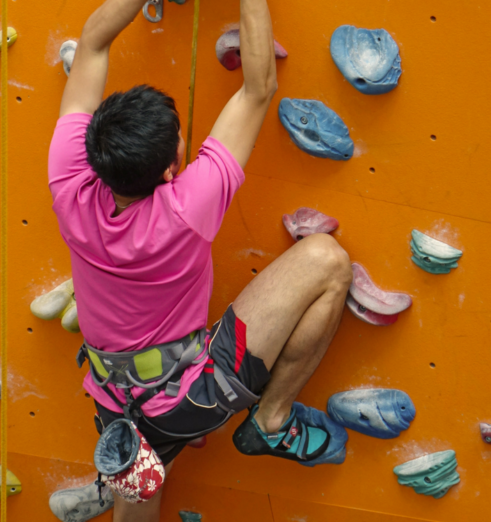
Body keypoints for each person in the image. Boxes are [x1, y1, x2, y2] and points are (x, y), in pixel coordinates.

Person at [47, 0, 353, 520]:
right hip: (193, 394)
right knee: (327, 259)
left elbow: (93, 40)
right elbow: (258, 89)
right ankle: (272, 422)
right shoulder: (187, 206)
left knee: (141, 495)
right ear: (171, 169)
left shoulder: (69, 179)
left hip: (113, 403)